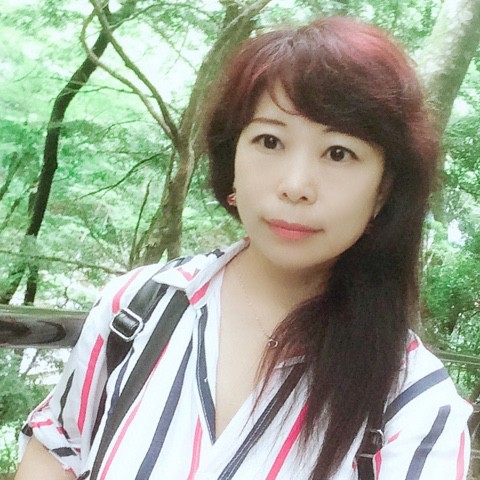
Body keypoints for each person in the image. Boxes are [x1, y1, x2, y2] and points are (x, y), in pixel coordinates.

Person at [15, 16, 471, 480]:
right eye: (269, 141)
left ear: (384, 188)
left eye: (339, 152)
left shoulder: (415, 406)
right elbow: (57, 446)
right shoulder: (137, 308)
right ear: (232, 157)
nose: (295, 185)